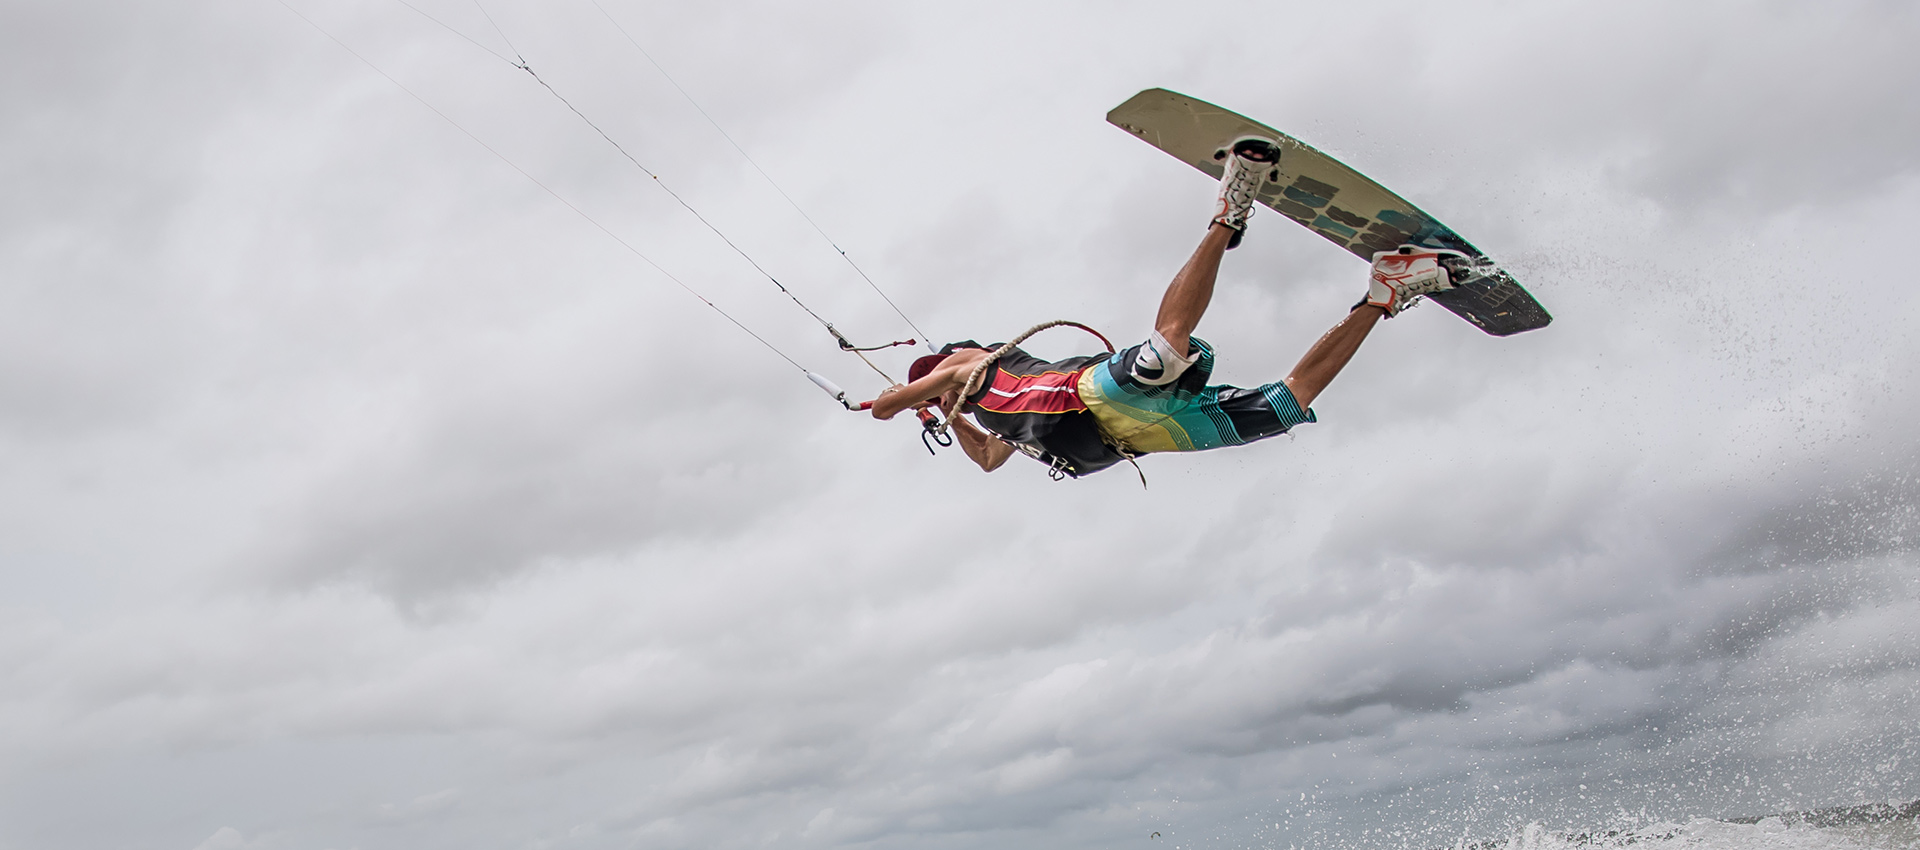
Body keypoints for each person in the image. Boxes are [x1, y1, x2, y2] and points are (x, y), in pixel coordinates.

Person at [865, 137, 1463, 478]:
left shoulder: (974, 367)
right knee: (1287, 407)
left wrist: (913, 398)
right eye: (935, 388)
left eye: (937, 380)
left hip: (1093, 395)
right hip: (1144, 436)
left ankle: (1230, 206)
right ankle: (1384, 291)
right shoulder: (990, 415)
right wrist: (953, 418)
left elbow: (886, 407)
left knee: (1166, 349)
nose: (939, 389)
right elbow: (990, 461)